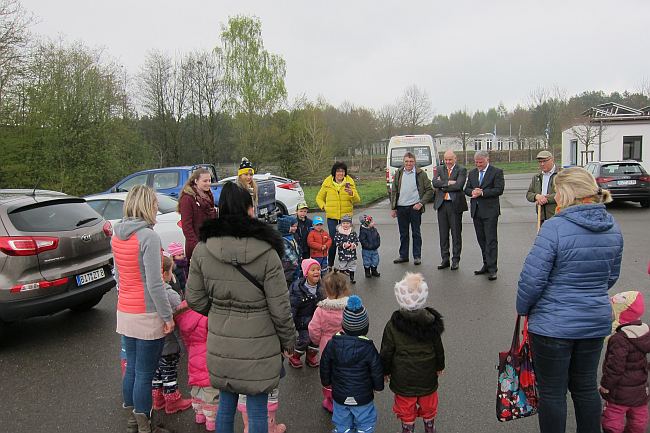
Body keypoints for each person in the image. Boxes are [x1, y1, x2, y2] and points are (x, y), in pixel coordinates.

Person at [516, 167, 624, 433]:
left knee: (552, 392)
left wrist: (523, 309)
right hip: (593, 322)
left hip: (552, 326)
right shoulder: (613, 227)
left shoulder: (554, 228)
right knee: (586, 387)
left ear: (567, 194)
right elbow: (611, 276)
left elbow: (532, 280)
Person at [185, 182, 296, 433]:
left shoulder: (203, 250)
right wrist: (289, 342)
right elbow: (280, 307)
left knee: (226, 401)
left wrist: (218, 310)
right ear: (248, 209)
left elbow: (193, 297)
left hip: (222, 343)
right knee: (257, 406)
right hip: (259, 342)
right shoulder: (267, 252)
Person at [113, 184, 174, 433]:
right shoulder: (148, 237)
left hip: (125, 310)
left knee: (133, 368)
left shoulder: (116, 234)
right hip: (146, 313)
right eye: (155, 203)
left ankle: (132, 420)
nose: (157, 208)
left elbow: (118, 275)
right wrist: (167, 316)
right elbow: (155, 283)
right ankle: (144, 425)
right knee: (145, 373)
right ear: (146, 205)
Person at [380, 272, 445, 433]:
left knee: (405, 406)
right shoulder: (431, 322)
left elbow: (387, 351)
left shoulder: (393, 325)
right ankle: (429, 426)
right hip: (427, 375)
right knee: (428, 403)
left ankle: (408, 428)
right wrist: (439, 366)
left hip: (403, 377)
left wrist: (385, 370)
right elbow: (438, 348)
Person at [320, 295, 384, 433]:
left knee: (342, 421)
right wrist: (378, 387)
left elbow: (325, 364)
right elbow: (376, 369)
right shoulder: (368, 347)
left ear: (344, 325)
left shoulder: (332, 344)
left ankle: (343, 430)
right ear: (366, 327)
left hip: (340, 394)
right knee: (365, 421)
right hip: (363, 396)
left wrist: (326, 382)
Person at [600, 291, 650, 433]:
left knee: (613, 416)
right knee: (638, 416)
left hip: (620, 389)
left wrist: (606, 385)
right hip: (641, 388)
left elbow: (615, 367)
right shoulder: (645, 333)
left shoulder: (620, 339)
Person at [151, 256, 192, 415]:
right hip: (169, 344)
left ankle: (158, 399)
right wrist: (184, 346)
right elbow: (181, 322)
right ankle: (172, 401)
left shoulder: (146, 292)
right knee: (169, 373)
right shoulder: (171, 295)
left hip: (153, 341)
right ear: (164, 274)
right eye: (171, 271)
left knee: (157, 372)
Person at [175, 299, 220, 432]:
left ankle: (199, 415)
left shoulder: (184, 314)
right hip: (208, 357)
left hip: (193, 356)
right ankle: (211, 422)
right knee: (211, 391)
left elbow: (186, 340)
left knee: (197, 388)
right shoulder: (207, 315)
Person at [308, 271, 351, 413]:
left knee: (328, 373)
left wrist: (317, 340)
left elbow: (313, 328)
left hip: (327, 345)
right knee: (344, 373)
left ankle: (331, 400)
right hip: (346, 345)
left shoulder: (321, 310)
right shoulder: (349, 308)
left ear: (326, 290)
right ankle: (345, 397)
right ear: (345, 289)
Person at [463, 150, 504, 281]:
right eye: (476, 163)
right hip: (476, 211)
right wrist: (473, 191)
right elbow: (466, 189)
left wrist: (482, 193)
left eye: (480, 162)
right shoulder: (473, 173)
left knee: (491, 240)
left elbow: (499, 189)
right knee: (482, 240)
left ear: (487, 159)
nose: (478, 165)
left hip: (490, 212)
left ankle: (493, 269)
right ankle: (486, 264)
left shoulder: (496, 172)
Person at [390, 152, 434, 265]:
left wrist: (421, 203)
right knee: (403, 234)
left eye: (411, 161)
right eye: (406, 161)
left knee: (416, 233)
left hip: (415, 208)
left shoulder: (421, 174)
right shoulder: (399, 173)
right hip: (401, 208)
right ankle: (403, 255)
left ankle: (417, 256)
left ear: (414, 162)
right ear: (403, 162)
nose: (409, 163)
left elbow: (429, 190)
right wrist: (393, 208)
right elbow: (393, 190)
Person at [316, 162, 361, 268]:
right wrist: (324, 207)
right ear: (334, 172)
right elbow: (319, 198)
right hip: (332, 217)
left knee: (346, 241)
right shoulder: (327, 183)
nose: (340, 173)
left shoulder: (349, 182)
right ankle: (330, 265)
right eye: (338, 171)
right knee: (332, 241)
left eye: (342, 171)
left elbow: (357, 200)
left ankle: (345, 266)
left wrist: (351, 194)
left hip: (345, 219)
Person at [432, 150, 468, 270]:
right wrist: (448, 183)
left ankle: (455, 260)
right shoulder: (439, 169)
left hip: (455, 205)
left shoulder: (461, 170)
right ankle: (445, 259)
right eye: (446, 159)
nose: (447, 162)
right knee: (443, 234)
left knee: (456, 234)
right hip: (441, 205)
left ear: (455, 159)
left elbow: (459, 186)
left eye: (450, 159)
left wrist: (443, 186)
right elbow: (434, 183)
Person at [288, 258, 323, 369]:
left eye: (318, 269)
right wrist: (290, 324)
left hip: (316, 321)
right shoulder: (297, 289)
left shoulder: (321, 288)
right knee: (305, 339)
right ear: (306, 273)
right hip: (302, 322)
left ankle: (311, 355)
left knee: (316, 339)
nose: (316, 272)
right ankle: (295, 355)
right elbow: (292, 307)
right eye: (313, 270)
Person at [178, 168, 217, 261]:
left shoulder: (208, 196)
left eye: (209, 180)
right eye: (205, 181)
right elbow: (187, 227)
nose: (208, 183)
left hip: (210, 244)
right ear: (196, 181)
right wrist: (197, 246)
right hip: (196, 248)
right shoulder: (187, 199)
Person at [526, 150, 560, 225]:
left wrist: (546, 199)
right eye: (540, 162)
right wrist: (536, 196)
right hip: (541, 216)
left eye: (544, 161)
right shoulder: (536, 177)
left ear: (552, 160)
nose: (542, 164)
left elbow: (563, 193)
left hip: (557, 216)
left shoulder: (561, 175)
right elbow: (529, 194)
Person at [334, 214, 359, 284]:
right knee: (342, 265)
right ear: (341, 224)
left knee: (352, 265)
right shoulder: (339, 233)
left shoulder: (353, 232)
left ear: (350, 224)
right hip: (343, 254)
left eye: (347, 223)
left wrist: (353, 245)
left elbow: (356, 240)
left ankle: (352, 278)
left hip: (352, 254)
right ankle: (341, 278)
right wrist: (344, 244)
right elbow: (336, 242)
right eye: (344, 223)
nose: (345, 225)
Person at [277, 215, 300, 285]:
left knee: (296, 276)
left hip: (295, 262)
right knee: (290, 278)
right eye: (290, 226)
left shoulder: (290, 236)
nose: (292, 228)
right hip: (289, 263)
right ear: (285, 228)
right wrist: (294, 261)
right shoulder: (283, 240)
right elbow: (288, 252)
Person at [358, 214, 381, 278]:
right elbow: (362, 240)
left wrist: (377, 243)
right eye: (372, 222)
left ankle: (374, 270)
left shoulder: (374, 229)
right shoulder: (363, 231)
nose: (374, 223)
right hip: (366, 250)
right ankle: (367, 271)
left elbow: (378, 236)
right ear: (367, 223)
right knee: (367, 261)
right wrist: (368, 246)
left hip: (374, 248)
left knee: (375, 260)